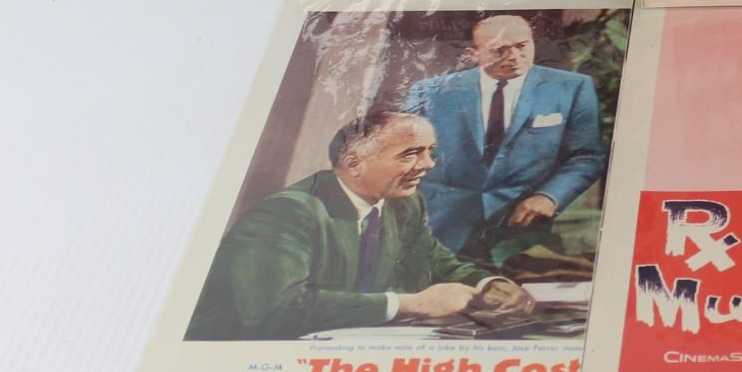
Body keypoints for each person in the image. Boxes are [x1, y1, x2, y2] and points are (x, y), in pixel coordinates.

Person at [185, 112, 534, 340]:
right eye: (410, 153)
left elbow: (434, 260)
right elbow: (275, 311)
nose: (429, 164)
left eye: (430, 151)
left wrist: (490, 284)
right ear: (354, 164)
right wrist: (412, 304)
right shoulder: (288, 212)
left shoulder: (403, 203)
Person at [400, 14, 607, 256]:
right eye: (499, 50)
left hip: (524, 226)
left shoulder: (572, 88)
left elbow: (587, 156)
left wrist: (550, 196)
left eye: (522, 46)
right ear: (473, 54)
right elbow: (403, 153)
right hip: (441, 226)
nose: (514, 56)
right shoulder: (429, 92)